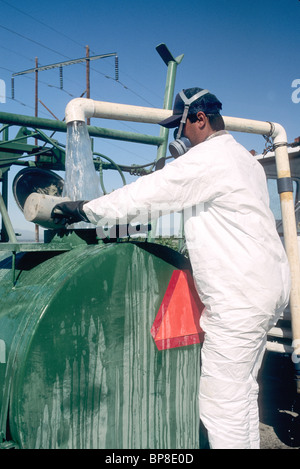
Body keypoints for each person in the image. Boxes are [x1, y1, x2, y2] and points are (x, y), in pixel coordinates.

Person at [53, 88, 291, 449]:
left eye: (179, 129)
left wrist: (85, 209)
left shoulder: (209, 158)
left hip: (240, 299)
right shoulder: (244, 159)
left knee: (221, 405)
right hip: (268, 289)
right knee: (242, 391)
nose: (178, 139)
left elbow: (146, 196)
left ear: (199, 120)